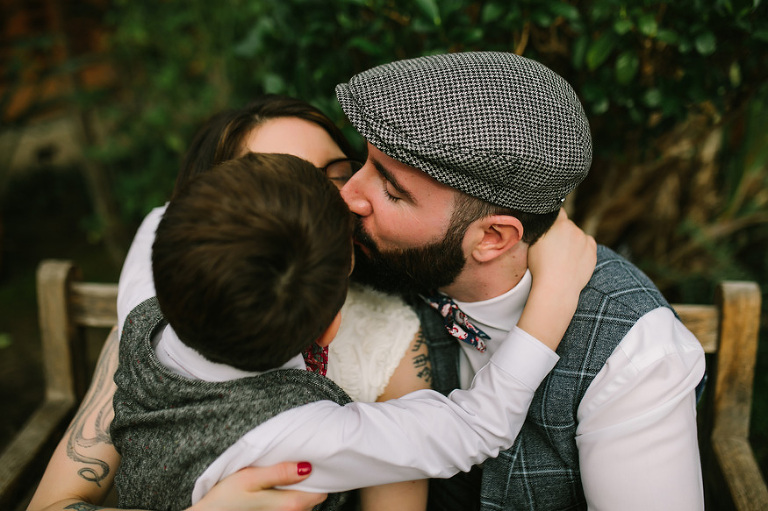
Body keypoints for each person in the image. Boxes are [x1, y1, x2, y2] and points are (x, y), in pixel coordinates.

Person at [111, 152, 595, 511]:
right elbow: (476, 427)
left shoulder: (144, 311)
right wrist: (553, 296)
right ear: (330, 329)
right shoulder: (295, 432)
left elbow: (161, 219)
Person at [334, 51, 707, 510]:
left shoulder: (637, 354)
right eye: (362, 162)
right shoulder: (378, 268)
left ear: (493, 238)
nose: (349, 194)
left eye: (392, 191)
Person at [26, 95, 430, 511]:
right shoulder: (165, 329)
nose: (330, 201)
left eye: (338, 175)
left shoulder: (390, 336)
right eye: (285, 185)